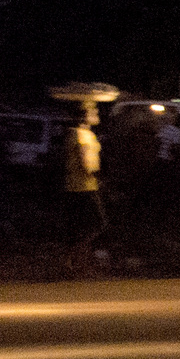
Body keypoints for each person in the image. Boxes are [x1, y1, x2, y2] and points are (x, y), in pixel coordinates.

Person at [63, 108, 107, 272]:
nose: (96, 114)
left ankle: (72, 262)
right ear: (84, 117)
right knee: (98, 223)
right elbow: (85, 161)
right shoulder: (82, 134)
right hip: (85, 186)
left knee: (78, 226)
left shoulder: (74, 133)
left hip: (75, 185)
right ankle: (77, 259)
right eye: (93, 112)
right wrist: (96, 175)